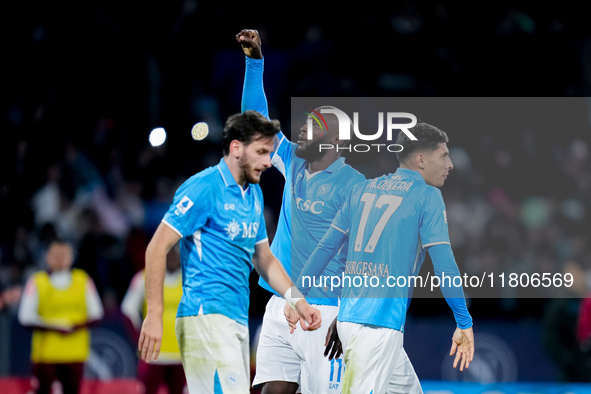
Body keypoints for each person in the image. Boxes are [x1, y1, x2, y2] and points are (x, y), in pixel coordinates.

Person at [137, 110, 322, 394]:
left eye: (270, 153)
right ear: (236, 148)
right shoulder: (203, 188)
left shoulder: (254, 194)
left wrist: (299, 301)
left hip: (235, 317)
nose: (267, 161)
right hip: (205, 316)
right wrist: (154, 314)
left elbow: (264, 259)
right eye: (261, 152)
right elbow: (157, 247)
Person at [298, 123, 475, 393]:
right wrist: (464, 321)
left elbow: (325, 248)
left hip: (354, 319)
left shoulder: (363, 189)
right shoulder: (427, 196)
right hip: (377, 328)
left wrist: (297, 294)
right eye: (444, 156)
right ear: (420, 159)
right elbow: (444, 264)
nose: (450, 164)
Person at [236, 29, 365, 394]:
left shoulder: (354, 186)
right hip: (282, 304)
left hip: (326, 311)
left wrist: (349, 318)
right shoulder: (292, 160)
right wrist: (254, 62)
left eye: (314, 128)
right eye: (305, 124)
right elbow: (254, 121)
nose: (303, 131)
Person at [18, 239, 104, 394]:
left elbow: (97, 314)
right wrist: (55, 327)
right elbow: (25, 317)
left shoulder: (83, 280)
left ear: (71, 257)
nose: (60, 259)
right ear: (47, 257)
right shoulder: (37, 281)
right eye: (56, 255)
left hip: (75, 353)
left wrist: (74, 326)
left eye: (64, 255)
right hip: (45, 355)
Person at [121, 244, 186, 394]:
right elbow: (128, 310)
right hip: (153, 355)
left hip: (181, 355)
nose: (171, 258)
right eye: (167, 254)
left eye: (174, 254)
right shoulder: (145, 277)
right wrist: (140, 338)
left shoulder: (190, 280)